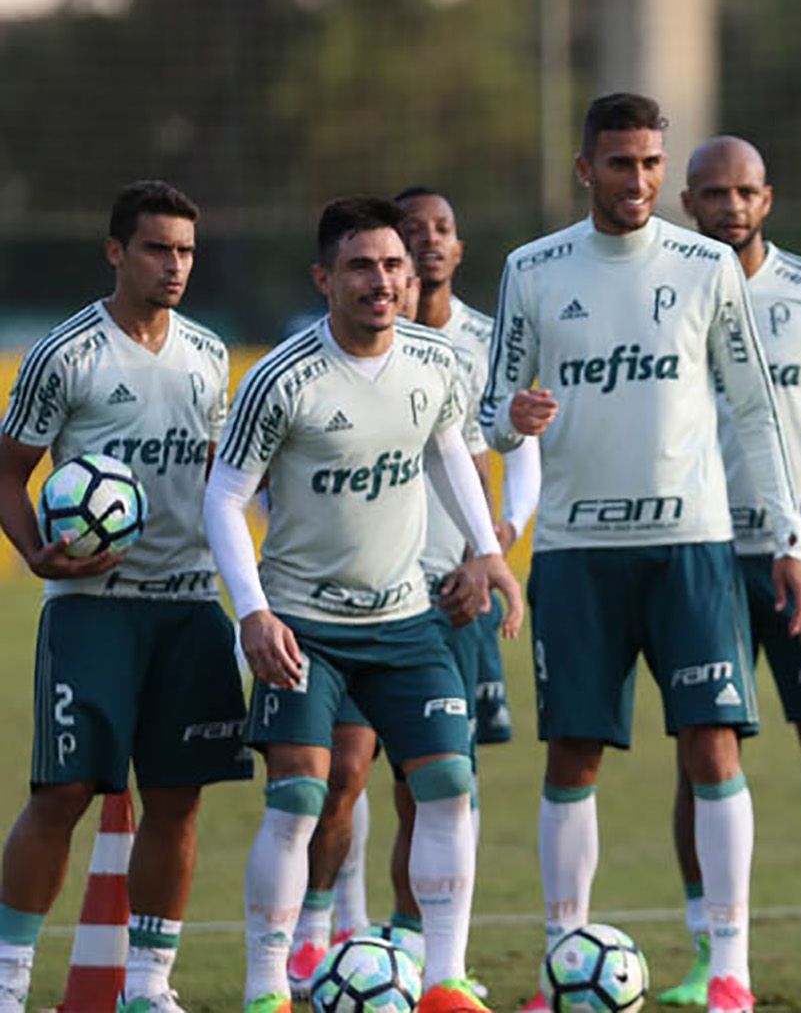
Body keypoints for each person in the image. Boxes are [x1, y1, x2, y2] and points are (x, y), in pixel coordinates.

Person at [480, 94, 801, 1013]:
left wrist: (784, 536)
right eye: (620, 164)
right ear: (585, 169)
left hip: (693, 548)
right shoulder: (532, 271)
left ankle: (729, 965)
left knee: (712, 748)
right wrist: (513, 419)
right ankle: (559, 959)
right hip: (581, 553)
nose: (639, 181)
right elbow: (487, 413)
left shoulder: (706, 266)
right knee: (572, 755)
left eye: (652, 164)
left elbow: (753, 408)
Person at [206, 196, 524, 1013]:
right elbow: (225, 497)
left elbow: (452, 453)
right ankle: (267, 988)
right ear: (325, 279)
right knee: (303, 796)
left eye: (392, 266)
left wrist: (488, 553)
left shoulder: (434, 361)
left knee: (450, 781)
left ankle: (446, 980)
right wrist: (253, 611)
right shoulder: (281, 378)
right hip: (304, 626)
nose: (381, 282)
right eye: (360, 267)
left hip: (404, 618)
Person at [0, 181, 252, 1013]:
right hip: (94, 609)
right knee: (63, 794)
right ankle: (7, 983)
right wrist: (37, 551)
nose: (175, 265)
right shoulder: (65, 355)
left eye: (185, 250)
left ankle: (148, 987)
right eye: (156, 248)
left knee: (176, 798)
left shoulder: (210, 355)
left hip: (186, 606)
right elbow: (7, 472)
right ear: (116, 252)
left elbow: (223, 479)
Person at [286, 186, 542, 994]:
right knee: (342, 771)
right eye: (408, 236)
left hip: (455, 590)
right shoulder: (325, 357)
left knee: (429, 782)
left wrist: (488, 550)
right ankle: (324, 929)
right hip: (361, 594)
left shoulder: (482, 345)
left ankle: (410, 945)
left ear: (458, 249)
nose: (426, 246)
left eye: (441, 230)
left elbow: (512, 452)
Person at [659, 136, 801, 1005]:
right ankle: (710, 950)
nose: (730, 206)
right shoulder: (664, 295)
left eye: (744, 192)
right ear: (688, 203)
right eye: (712, 193)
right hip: (700, 554)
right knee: (699, 759)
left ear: (767, 199)